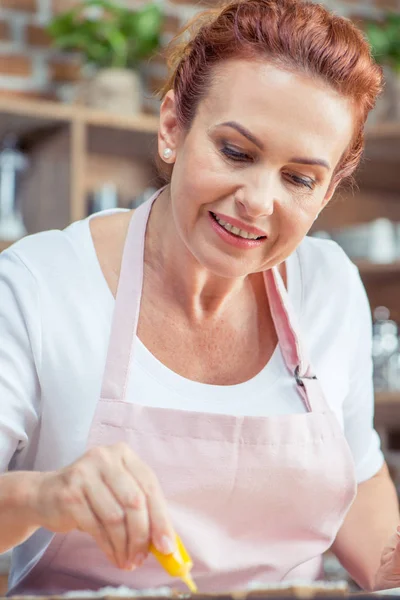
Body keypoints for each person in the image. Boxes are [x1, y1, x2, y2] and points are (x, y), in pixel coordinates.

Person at [1, 0, 400, 595]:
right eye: (236, 152)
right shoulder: (40, 285)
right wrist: (43, 495)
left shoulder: (328, 283)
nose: (259, 200)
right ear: (171, 127)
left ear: (330, 189)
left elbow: (359, 483)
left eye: (299, 178)